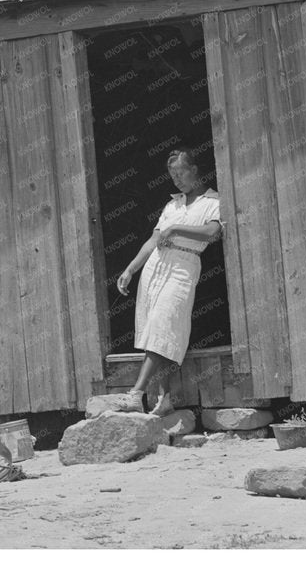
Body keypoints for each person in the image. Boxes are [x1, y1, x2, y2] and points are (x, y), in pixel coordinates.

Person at [115, 147, 223, 416]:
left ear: (195, 170)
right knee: (159, 331)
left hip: (184, 266)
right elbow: (153, 240)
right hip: (156, 267)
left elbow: (212, 232)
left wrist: (175, 229)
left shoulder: (214, 201)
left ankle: (136, 393)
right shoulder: (171, 205)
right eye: (173, 175)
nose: (177, 180)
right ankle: (165, 397)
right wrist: (130, 269)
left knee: (164, 322)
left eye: (181, 172)